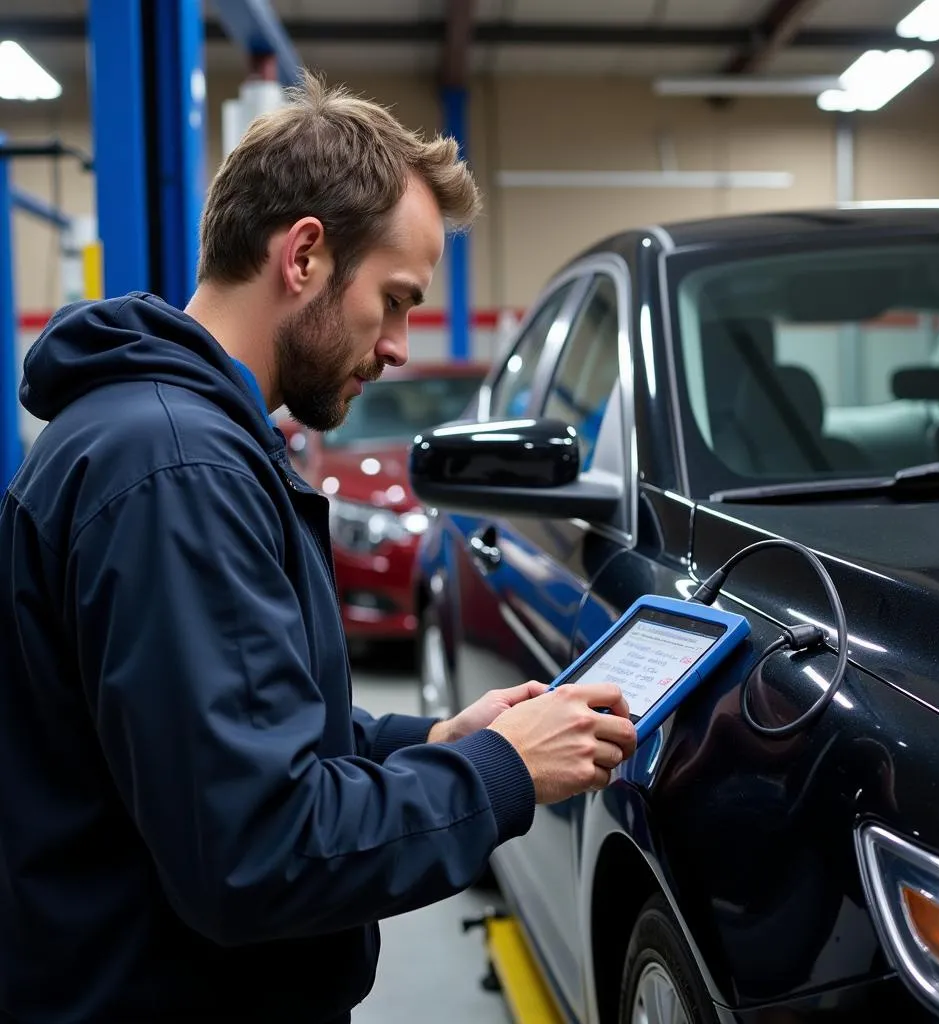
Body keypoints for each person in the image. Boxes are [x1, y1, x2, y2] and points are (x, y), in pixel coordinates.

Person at [0, 71, 637, 1024]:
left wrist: (427, 741)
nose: (397, 347)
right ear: (303, 256)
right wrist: (501, 770)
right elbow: (260, 852)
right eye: (395, 299)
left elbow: (222, 738)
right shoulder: (179, 472)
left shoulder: (169, 440)